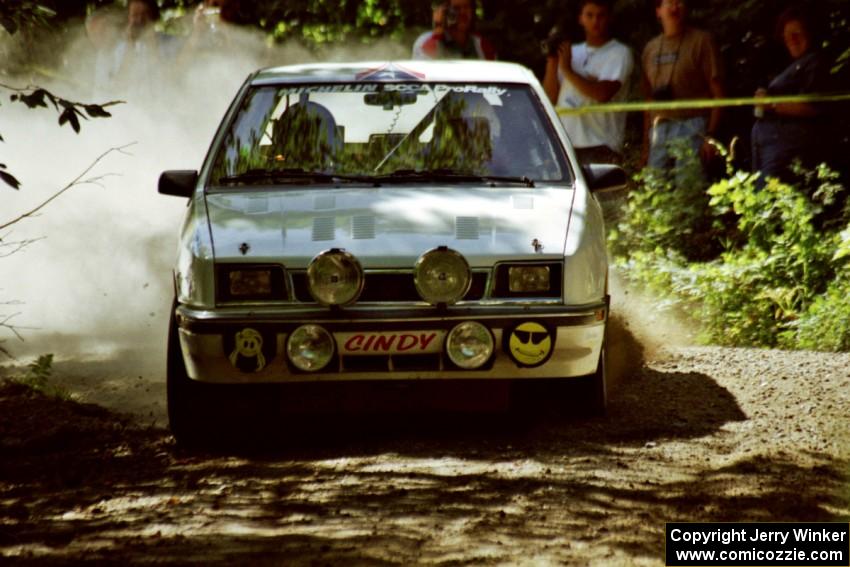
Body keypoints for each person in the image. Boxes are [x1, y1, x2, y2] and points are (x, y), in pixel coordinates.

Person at [542, 0, 634, 164]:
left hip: (600, 146)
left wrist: (568, 70)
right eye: (589, 15)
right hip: (564, 144)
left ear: (609, 18)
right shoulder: (570, 52)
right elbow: (549, 99)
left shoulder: (619, 53)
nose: (595, 21)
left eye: (601, 16)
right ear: (580, 19)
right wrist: (552, 60)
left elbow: (602, 94)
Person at [751, 5, 833, 184]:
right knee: (756, 199)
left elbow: (813, 106)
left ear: (809, 33)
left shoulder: (815, 62)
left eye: (797, 33)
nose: (792, 40)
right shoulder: (791, 65)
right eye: (787, 36)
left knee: (769, 199)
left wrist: (771, 104)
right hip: (766, 145)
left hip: (785, 147)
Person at [641, 0, 724, 172]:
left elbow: (718, 93)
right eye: (670, 2)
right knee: (655, 189)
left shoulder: (701, 41)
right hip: (659, 129)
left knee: (688, 188)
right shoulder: (650, 49)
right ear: (658, 11)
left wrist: (710, 136)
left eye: (679, 2)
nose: (675, 7)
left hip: (692, 125)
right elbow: (647, 101)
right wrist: (645, 146)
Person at [413, 0, 496, 60]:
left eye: (466, 7)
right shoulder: (425, 42)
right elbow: (424, 74)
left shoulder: (482, 46)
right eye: (457, 8)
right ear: (445, 13)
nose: (463, 12)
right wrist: (438, 31)